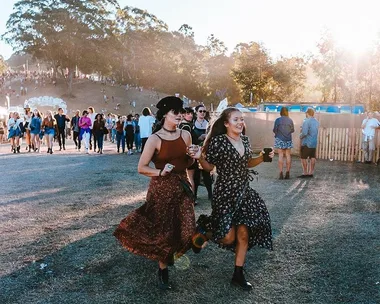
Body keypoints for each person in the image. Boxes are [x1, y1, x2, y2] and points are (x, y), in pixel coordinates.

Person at [114, 96, 195, 290]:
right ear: (165, 115)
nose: (179, 116)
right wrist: (160, 172)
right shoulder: (155, 139)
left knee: (187, 228)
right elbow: (141, 167)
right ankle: (163, 269)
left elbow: (189, 164)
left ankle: (171, 253)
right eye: (175, 112)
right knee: (164, 230)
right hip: (162, 189)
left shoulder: (185, 135)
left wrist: (194, 158)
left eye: (181, 112)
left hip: (182, 186)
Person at [187, 107, 273, 290]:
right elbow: (209, 168)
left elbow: (247, 162)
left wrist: (262, 158)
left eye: (242, 119)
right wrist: (199, 157)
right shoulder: (219, 142)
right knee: (227, 237)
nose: (240, 122)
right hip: (225, 193)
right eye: (236, 120)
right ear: (226, 123)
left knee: (243, 234)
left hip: (244, 192)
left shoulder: (245, 140)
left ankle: (238, 274)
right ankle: (203, 233)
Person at [193, 105, 213, 201]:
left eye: (204, 111)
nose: (202, 113)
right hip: (195, 151)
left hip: (205, 151)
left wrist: (207, 137)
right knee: (195, 174)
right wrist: (198, 139)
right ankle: (195, 194)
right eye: (200, 111)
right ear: (196, 112)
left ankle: (210, 193)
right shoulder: (192, 124)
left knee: (207, 173)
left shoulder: (208, 124)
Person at [179, 107, 198, 201]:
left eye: (191, 113)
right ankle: (191, 199)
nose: (190, 115)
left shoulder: (186, 125)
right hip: (188, 154)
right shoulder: (185, 126)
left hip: (187, 153)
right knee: (190, 178)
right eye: (187, 113)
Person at [273, 107, 294, 179]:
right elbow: (292, 130)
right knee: (288, 155)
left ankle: (281, 173)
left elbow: (274, 130)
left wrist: (278, 133)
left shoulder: (278, 120)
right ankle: (288, 172)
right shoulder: (290, 120)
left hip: (279, 139)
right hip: (288, 139)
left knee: (280, 155)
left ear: (281, 112)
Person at [299, 108, 320, 177]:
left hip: (306, 142)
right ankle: (311, 172)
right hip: (314, 142)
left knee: (303, 158)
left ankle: (305, 172)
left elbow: (304, 133)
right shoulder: (316, 122)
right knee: (312, 157)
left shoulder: (306, 121)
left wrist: (300, 135)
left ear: (307, 113)